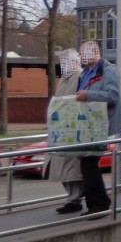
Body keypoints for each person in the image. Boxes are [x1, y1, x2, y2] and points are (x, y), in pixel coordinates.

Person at [74, 41, 121, 215]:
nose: (82, 57)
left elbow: (113, 96)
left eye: (84, 53)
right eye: (81, 54)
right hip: (88, 125)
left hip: (100, 125)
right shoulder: (84, 73)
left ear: (95, 53)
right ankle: (95, 204)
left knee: (89, 163)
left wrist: (88, 94)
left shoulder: (108, 71)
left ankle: (99, 204)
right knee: (86, 164)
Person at [52, 49, 86, 215]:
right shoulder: (64, 79)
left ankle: (75, 198)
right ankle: (73, 197)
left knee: (71, 166)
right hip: (62, 127)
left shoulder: (79, 76)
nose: (62, 64)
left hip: (73, 127)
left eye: (65, 61)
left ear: (74, 62)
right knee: (62, 165)